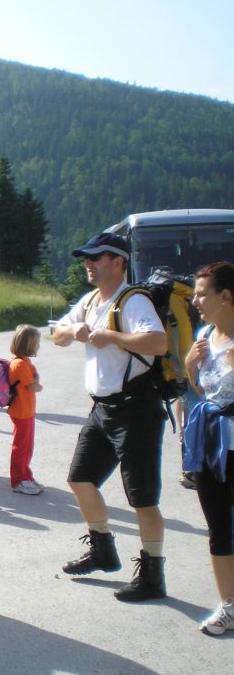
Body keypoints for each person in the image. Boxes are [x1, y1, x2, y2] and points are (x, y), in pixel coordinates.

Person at [52, 232, 168, 602]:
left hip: (136, 410)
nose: (88, 263)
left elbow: (157, 343)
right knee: (80, 479)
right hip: (102, 409)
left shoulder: (132, 302)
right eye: (86, 258)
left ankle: (153, 574)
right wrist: (76, 330)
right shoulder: (90, 301)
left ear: (117, 261)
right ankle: (103, 551)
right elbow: (57, 333)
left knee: (142, 498)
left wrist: (111, 337)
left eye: (96, 258)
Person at [182, 262, 234, 635]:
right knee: (218, 526)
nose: (195, 299)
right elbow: (203, 391)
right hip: (210, 438)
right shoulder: (204, 335)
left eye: (202, 293)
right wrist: (188, 366)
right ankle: (228, 606)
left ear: (226, 296)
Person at [8, 325, 44, 496]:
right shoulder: (20, 364)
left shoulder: (24, 362)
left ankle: (26, 475)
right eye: (37, 342)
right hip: (21, 411)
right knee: (21, 447)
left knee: (27, 446)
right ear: (28, 343)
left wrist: (36, 381)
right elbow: (33, 386)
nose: (38, 345)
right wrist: (38, 384)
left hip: (26, 411)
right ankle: (18, 480)